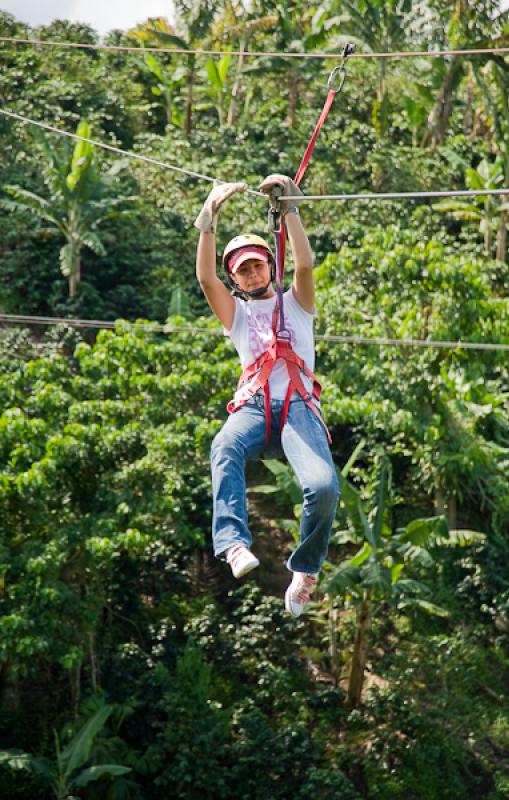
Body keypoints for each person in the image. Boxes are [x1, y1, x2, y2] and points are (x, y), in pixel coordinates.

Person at [194, 174, 338, 617]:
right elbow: (204, 277)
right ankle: (234, 543)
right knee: (224, 446)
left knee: (323, 487)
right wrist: (208, 220)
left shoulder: (297, 303)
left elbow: (305, 267)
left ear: (268, 267)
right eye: (243, 269)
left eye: (258, 264)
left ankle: (306, 569)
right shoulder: (236, 314)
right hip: (256, 405)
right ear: (235, 278)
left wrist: (290, 210)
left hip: (298, 407)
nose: (253, 273)